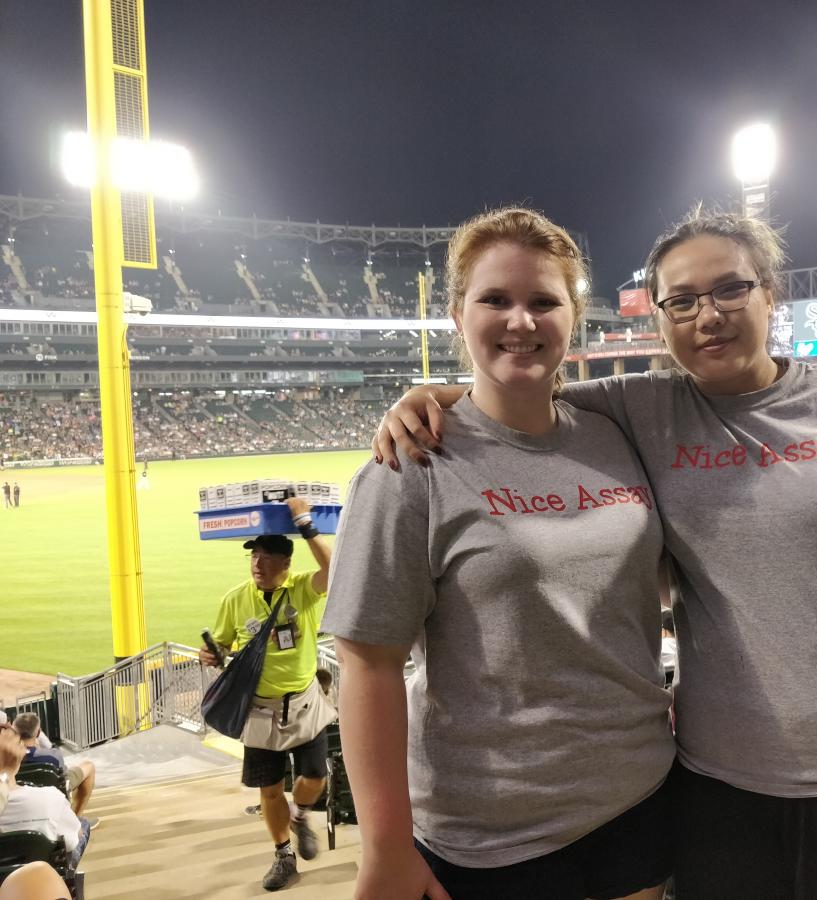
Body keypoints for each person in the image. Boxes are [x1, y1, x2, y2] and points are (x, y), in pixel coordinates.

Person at [372, 207, 817, 899]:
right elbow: (517, 386)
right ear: (662, 318)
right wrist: (431, 396)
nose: (709, 315)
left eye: (731, 289)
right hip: (722, 786)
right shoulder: (638, 408)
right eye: (683, 301)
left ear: (770, 294)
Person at [323, 208, 674, 900]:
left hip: (641, 796)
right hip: (489, 835)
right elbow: (368, 662)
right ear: (458, 315)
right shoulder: (410, 465)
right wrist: (386, 848)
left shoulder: (616, 432)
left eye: (544, 301)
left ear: (575, 317)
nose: (521, 320)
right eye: (495, 300)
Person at [198, 497, 333, 892]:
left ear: (286, 564)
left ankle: (302, 814)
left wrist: (305, 523)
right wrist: (213, 654)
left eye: (268, 557)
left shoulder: (302, 591)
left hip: (305, 700)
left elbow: (335, 569)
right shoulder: (235, 598)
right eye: (254, 555)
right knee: (269, 788)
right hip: (258, 708)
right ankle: (282, 855)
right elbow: (221, 646)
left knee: (314, 776)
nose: (258, 563)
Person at [0, 724, 90, 871]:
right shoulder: (51, 798)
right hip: (42, 880)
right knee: (82, 826)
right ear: (19, 755)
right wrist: (5, 771)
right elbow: (73, 842)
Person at [11, 713, 96, 818]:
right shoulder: (53, 755)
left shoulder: (5, 758)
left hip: (18, 801)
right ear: (37, 733)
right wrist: (46, 745)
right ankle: (76, 818)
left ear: (14, 731)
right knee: (89, 766)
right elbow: (63, 776)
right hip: (52, 796)